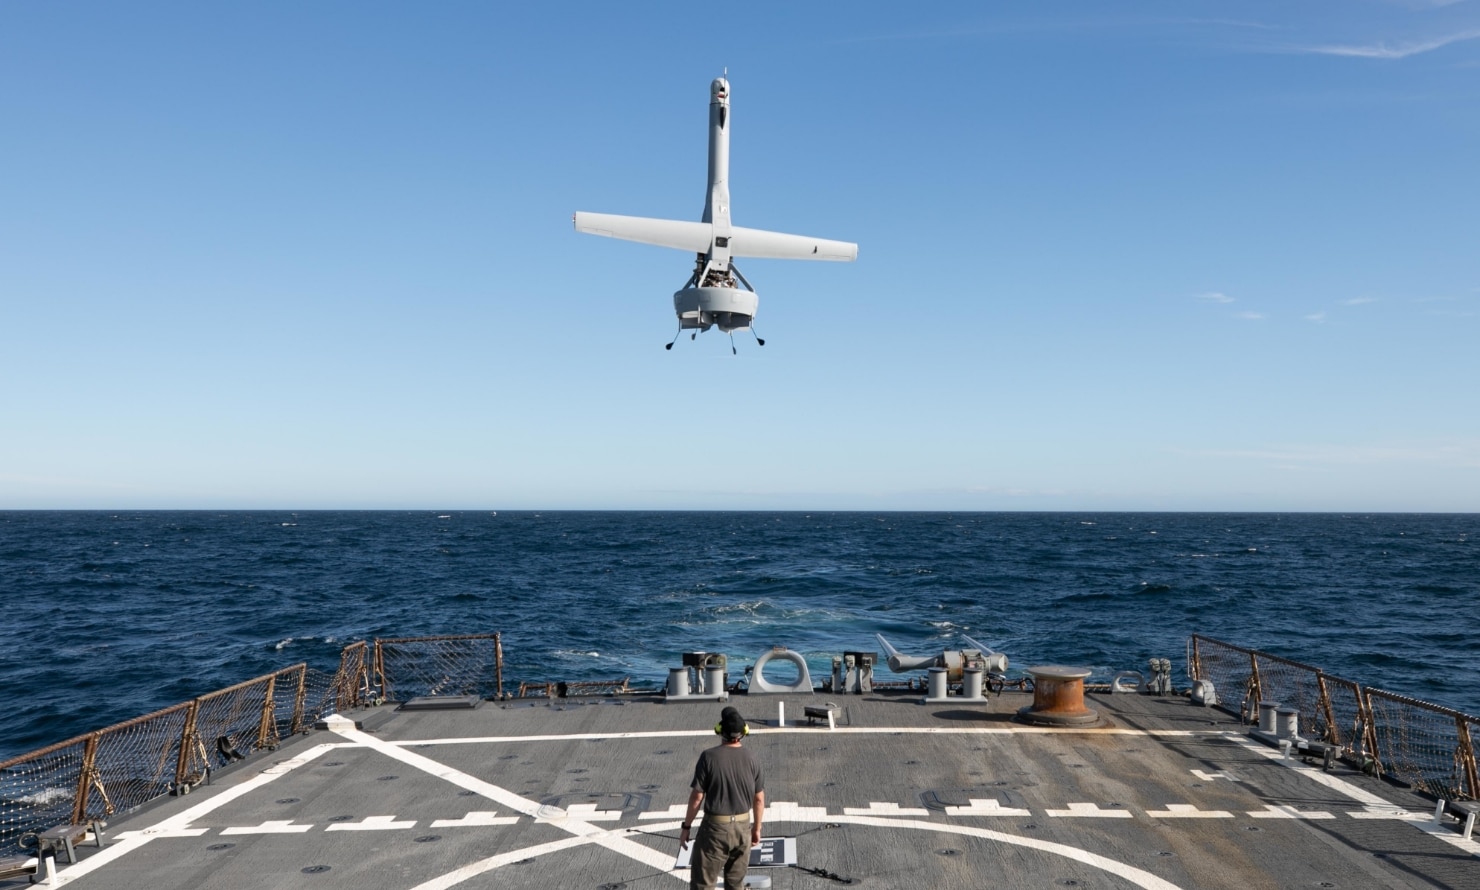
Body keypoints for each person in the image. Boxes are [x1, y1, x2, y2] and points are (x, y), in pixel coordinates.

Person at [679, 706, 765, 890]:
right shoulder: (753, 758)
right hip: (743, 829)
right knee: (736, 884)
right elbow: (759, 799)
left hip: (715, 830)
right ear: (744, 732)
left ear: (719, 730)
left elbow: (697, 797)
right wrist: (756, 829)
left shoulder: (708, 757)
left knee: (703, 884)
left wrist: (686, 827)